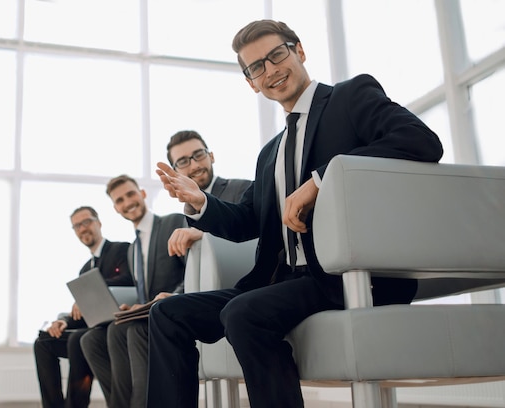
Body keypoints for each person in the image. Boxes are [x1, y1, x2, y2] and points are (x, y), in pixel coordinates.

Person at [147, 19, 444, 408]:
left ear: (299, 51)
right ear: (251, 82)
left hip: (345, 277)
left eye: (277, 55)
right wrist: (200, 201)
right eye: (256, 68)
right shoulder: (270, 151)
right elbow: (245, 222)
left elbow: (421, 140)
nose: (270, 71)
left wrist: (321, 179)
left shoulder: (350, 97)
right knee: (167, 312)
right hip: (280, 281)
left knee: (243, 314)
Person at [79, 175, 186, 408]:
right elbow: (144, 293)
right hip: (147, 312)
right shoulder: (132, 250)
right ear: (116, 209)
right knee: (91, 340)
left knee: (126, 331)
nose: (127, 202)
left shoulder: (171, 223)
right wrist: (133, 306)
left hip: (173, 310)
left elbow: (194, 271)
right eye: (120, 200)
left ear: (142, 194)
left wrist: (175, 295)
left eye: (130, 194)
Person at [33, 206, 133, 408]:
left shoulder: (121, 249)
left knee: (78, 340)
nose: (82, 229)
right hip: (90, 326)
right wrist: (64, 321)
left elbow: (127, 280)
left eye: (86, 222)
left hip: (113, 329)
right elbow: (82, 311)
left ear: (99, 222)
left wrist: (91, 294)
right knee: (43, 342)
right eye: (77, 226)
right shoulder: (84, 269)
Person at [165, 129, 252, 258]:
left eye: (199, 154)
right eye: (183, 162)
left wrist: (205, 236)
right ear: (175, 171)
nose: (194, 166)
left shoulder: (243, 188)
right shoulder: (186, 215)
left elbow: (252, 239)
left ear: (211, 156)